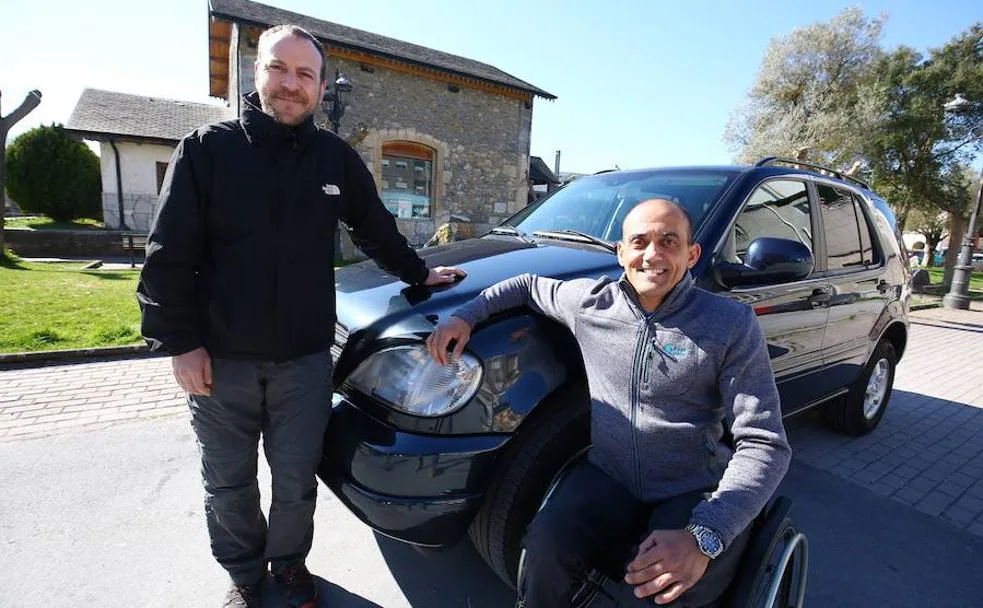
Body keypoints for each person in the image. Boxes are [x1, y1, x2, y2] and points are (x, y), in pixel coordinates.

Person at [137, 24, 463, 608]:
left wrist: (420, 274)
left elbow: (376, 229)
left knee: (294, 482)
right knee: (228, 483)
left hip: (304, 364)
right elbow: (166, 255)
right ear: (257, 72)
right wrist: (180, 344)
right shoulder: (207, 151)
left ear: (317, 85)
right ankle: (243, 574)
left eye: (304, 74)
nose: (291, 84)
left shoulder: (334, 157)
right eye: (279, 69)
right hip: (220, 363)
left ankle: (288, 565)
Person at [427, 198, 791, 607]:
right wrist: (465, 316)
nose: (652, 254)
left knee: (660, 588)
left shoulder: (729, 324)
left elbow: (765, 444)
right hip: (609, 474)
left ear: (692, 255)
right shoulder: (589, 304)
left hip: (688, 487)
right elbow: (526, 285)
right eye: (639, 241)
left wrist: (705, 534)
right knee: (545, 544)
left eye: (669, 241)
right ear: (621, 253)